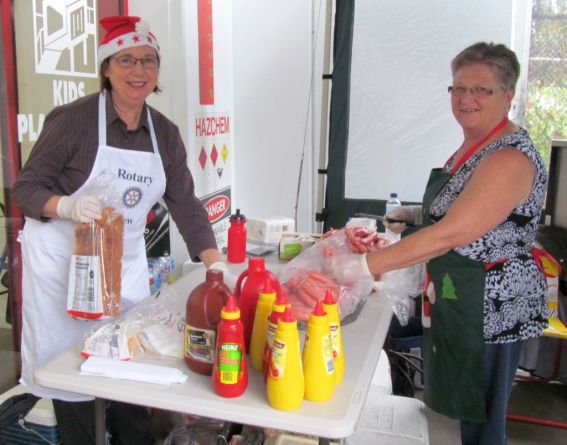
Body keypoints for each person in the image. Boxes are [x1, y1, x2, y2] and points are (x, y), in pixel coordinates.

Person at [12, 16, 234, 445]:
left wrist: (215, 264)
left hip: (123, 264)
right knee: (74, 381)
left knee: (133, 375)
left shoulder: (164, 134)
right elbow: (24, 188)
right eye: (126, 60)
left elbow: (185, 205)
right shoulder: (73, 121)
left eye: (148, 60)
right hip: (64, 267)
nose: (138, 71)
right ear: (107, 68)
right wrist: (67, 205)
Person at [328, 42, 549, 445]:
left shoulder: (509, 157)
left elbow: (452, 232)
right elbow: (461, 208)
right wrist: (412, 215)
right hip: (457, 296)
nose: (466, 98)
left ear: (509, 94)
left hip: (490, 307)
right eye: (458, 88)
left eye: (481, 89)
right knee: (456, 411)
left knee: (480, 420)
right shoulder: (474, 144)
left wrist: (365, 266)